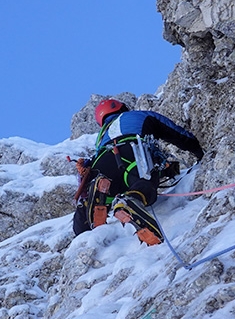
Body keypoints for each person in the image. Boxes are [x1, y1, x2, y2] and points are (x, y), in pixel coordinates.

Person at [72, 98, 204, 245]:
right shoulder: (139, 115)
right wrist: (198, 150)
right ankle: (131, 201)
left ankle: (84, 230)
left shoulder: (102, 136)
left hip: (103, 162)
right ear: (123, 108)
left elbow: (91, 164)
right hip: (133, 152)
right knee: (144, 182)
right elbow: (173, 132)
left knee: (104, 190)